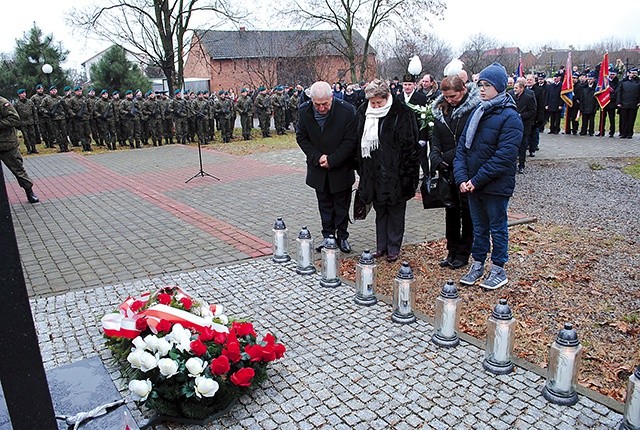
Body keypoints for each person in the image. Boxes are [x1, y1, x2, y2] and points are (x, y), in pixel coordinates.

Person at [453, 63, 523, 290]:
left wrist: (476, 180)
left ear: (500, 87)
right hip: (473, 184)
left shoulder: (510, 117)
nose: (482, 89)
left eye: (488, 85)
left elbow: (504, 157)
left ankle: (499, 268)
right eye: (480, 84)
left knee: (497, 226)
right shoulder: (477, 111)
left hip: (494, 185)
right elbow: (462, 148)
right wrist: (462, 178)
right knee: (479, 227)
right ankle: (478, 263)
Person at [355, 79, 420, 262]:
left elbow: (410, 147)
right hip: (373, 172)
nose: (375, 106)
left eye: (378, 103)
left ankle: (393, 247)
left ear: (387, 97)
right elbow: (357, 142)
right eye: (372, 103)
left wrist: (409, 177)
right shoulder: (363, 112)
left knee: (396, 211)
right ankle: (380, 246)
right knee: (380, 210)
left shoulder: (402, 113)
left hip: (396, 172)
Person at [296, 81, 357, 253]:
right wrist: (318, 157)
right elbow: (301, 137)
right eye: (317, 104)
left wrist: (333, 159)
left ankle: (342, 236)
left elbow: (350, 140)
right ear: (312, 100)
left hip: (341, 167)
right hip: (318, 167)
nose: (321, 108)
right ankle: (328, 235)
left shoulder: (346, 111)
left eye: (325, 104)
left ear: (331, 97)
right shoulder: (304, 111)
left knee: (341, 205)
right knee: (324, 205)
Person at [430, 74, 481, 269]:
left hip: (466, 167)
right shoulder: (442, 110)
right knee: (450, 210)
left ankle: (464, 252)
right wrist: (435, 157)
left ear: (463, 91)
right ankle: (451, 249)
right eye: (446, 97)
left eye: (453, 96)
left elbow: (468, 141)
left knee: (467, 212)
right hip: (445, 168)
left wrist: (445, 157)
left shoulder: (472, 111)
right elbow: (435, 136)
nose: (450, 100)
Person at [0, 95, 39, 203]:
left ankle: (29, 191)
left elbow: (14, 119)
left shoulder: (2, 102)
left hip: (6, 144)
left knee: (18, 170)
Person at [509, 78, 537, 173]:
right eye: (514, 88)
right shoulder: (511, 95)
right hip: (512, 125)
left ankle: (521, 165)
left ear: (522, 88)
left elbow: (532, 111)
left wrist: (521, 115)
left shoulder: (528, 97)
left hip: (524, 125)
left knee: (522, 146)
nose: (515, 89)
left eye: (516, 88)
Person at [14, 89, 39, 154]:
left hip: (31, 121)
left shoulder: (30, 102)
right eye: (22, 93)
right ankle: (28, 149)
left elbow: (34, 112)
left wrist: (36, 121)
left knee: (32, 135)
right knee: (26, 136)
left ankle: (34, 148)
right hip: (23, 122)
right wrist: (17, 123)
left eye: (24, 93)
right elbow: (15, 114)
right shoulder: (17, 104)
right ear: (19, 95)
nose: (24, 94)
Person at [617, 68, 640, 139]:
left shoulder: (638, 82)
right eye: (632, 73)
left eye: (635, 73)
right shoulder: (623, 82)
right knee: (623, 119)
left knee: (631, 119)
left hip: (634, 103)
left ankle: (630, 133)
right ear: (628, 73)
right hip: (624, 103)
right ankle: (623, 133)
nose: (634, 75)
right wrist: (618, 102)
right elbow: (619, 93)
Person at [579, 72, 598, 136]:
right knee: (584, 120)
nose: (589, 80)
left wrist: (596, 107)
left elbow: (597, 99)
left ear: (594, 79)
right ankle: (583, 130)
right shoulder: (584, 88)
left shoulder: (596, 88)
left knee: (591, 120)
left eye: (591, 79)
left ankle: (591, 131)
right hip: (585, 105)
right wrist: (581, 106)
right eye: (588, 79)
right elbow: (581, 98)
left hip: (592, 106)